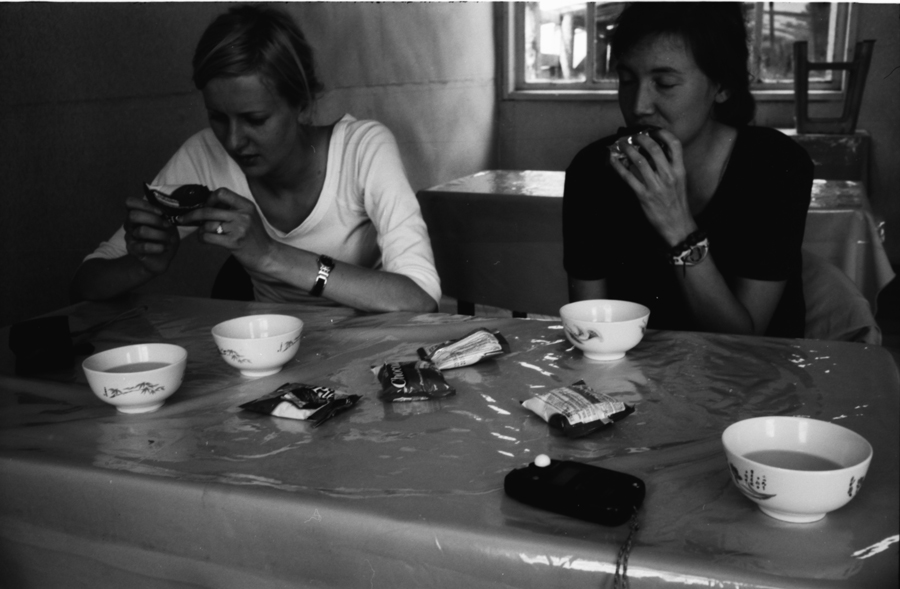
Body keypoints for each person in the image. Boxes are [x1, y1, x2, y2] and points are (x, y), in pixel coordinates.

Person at [71, 5, 440, 313]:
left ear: (301, 104)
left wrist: (269, 254)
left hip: (374, 349)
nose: (233, 141)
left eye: (255, 119)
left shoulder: (363, 149)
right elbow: (85, 282)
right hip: (274, 353)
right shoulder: (205, 155)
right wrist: (141, 265)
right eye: (218, 117)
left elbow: (420, 298)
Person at [563, 2, 812, 338]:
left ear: (722, 86)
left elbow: (743, 341)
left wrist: (678, 227)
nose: (638, 106)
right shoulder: (594, 170)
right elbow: (591, 329)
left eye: (664, 83)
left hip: (751, 367)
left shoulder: (775, 165)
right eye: (626, 80)